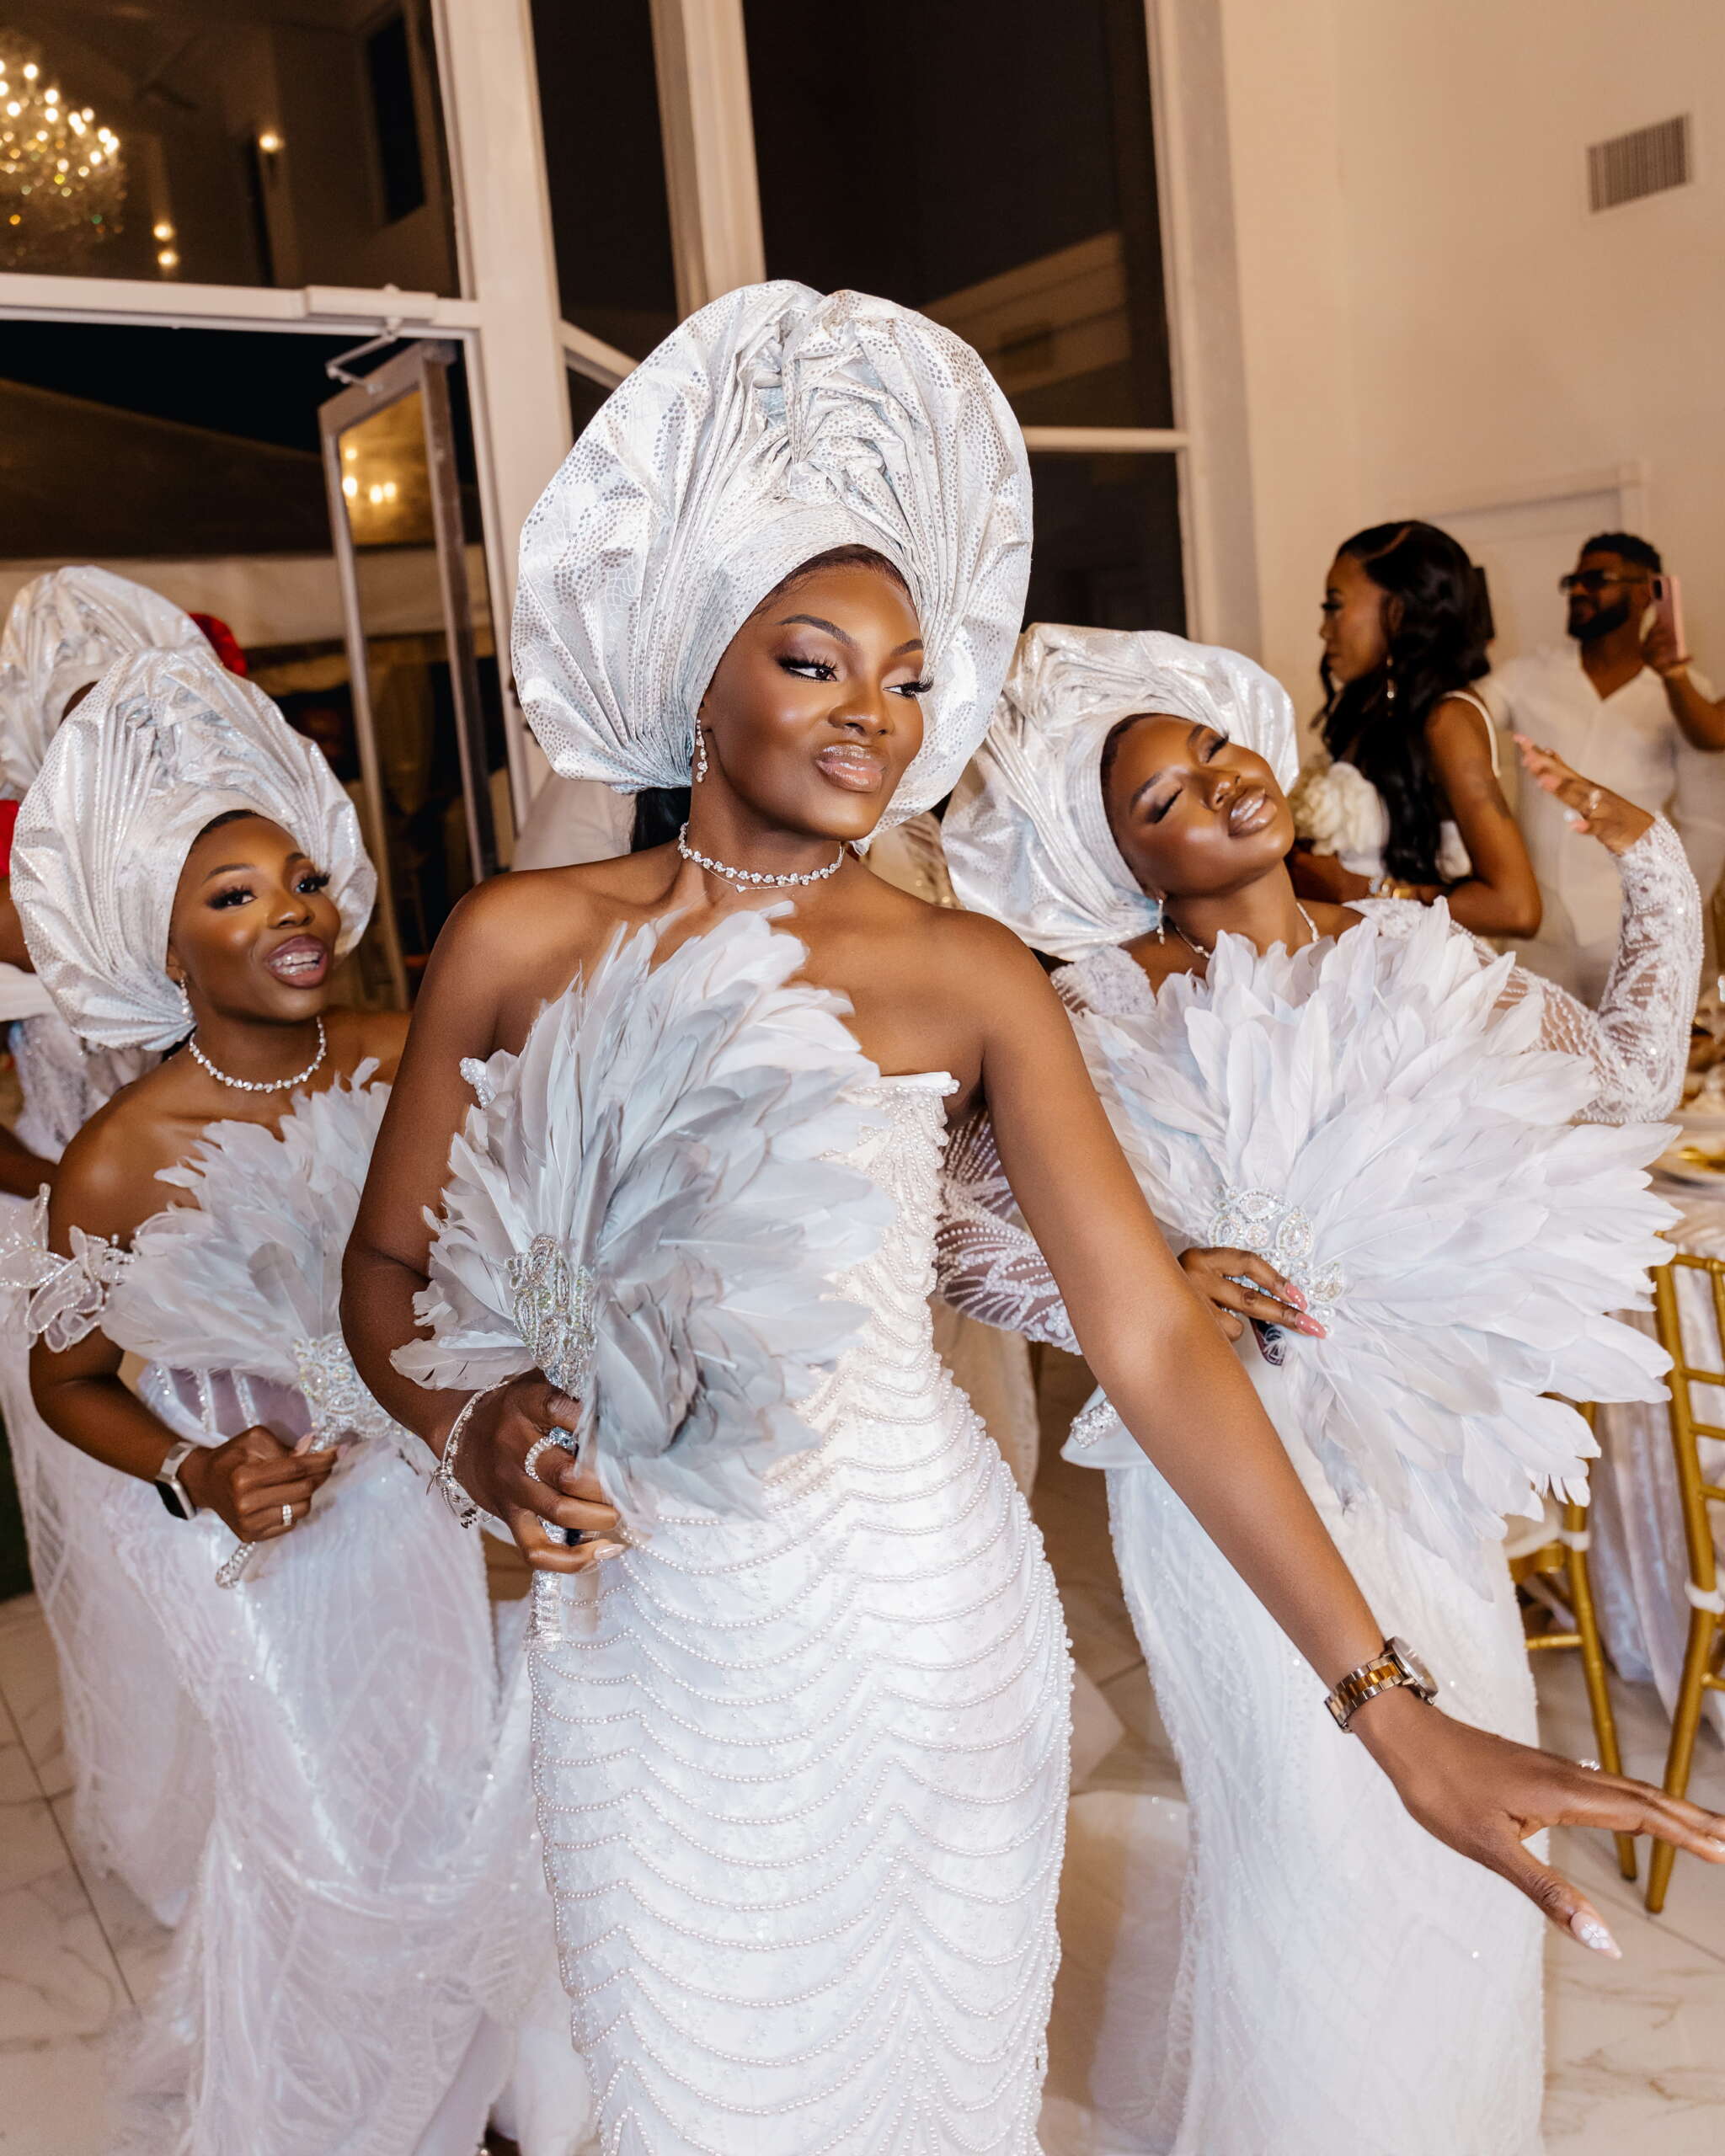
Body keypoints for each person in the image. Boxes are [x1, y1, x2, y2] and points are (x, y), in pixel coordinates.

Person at [339, 284, 1725, 2156]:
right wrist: (473, 1422)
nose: (873, 713)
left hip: (926, 1620)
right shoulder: (517, 939)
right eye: (815, 661)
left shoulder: (968, 973)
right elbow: (386, 1272)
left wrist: (1390, 1709)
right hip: (650, 1640)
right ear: (697, 674)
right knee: (693, 2095)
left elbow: (1149, 1336)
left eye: (910, 679)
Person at [937, 622, 1699, 2154]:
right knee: (1311, 1856)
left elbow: (1618, 1090)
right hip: (1217, 1483)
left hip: (1420, 1479)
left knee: (1469, 1853)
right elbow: (943, 1226)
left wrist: (1657, 870)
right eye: (1159, 800)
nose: (1217, 785)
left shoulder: (1412, 945)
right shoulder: (1086, 1010)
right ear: (1115, 862)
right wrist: (1139, 1282)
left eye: (1213, 751)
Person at [7, 648, 537, 2155]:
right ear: (162, 946)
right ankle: (347, 2111)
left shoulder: (403, 1057)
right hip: (254, 1542)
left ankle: (466, 2090)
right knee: (324, 1827)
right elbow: (66, 1380)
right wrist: (193, 1470)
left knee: (453, 1803)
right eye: (233, 896)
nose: (291, 912)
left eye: (301, 879)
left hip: (423, 1505)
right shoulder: (117, 1157)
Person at [0, 565, 225, 1927]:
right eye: (86, 715)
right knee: (135, 1553)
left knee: (253, 1542)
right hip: (65, 1249)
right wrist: (86, 1195)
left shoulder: (227, 864)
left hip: (227, 1242)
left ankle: (284, 1819)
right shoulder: (12, 899)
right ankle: (181, 1838)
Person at [1493, 530, 1725, 999]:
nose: (1579, 590)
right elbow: (1461, 716)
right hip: (1538, 930)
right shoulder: (1528, 675)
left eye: (1597, 579)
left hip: (1630, 928)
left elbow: (1706, 822)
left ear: (1646, 592)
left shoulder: (1685, 693)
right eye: (1574, 581)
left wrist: (1670, 921)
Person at [1290, 520, 1541, 938]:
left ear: (1399, 609)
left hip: (1422, 970)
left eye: (1334, 606)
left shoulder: (1448, 719)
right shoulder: (1375, 712)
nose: (1323, 628)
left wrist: (1364, 891)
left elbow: (1516, 909)